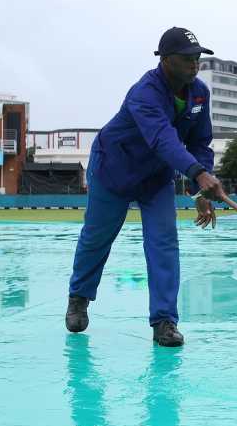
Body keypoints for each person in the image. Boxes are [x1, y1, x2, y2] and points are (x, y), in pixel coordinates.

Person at [65, 27, 224, 346]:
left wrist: (199, 188)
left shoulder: (199, 94)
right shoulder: (145, 93)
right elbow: (162, 139)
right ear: (165, 60)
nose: (195, 64)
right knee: (97, 237)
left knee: (164, 242)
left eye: (198, 58)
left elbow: (200, 142)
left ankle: (164, 321)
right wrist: (197, 174)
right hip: (114, 170)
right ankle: (79, 297)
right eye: (187, 58)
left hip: (155, 178)